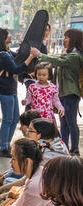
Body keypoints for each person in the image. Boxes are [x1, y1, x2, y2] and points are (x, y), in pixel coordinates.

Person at [31, 28, 83, 156]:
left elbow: (58, 62)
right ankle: (64, 147)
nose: (64, 40)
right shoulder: (69, 54)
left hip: (70, 94)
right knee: (64, 123)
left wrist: (40, 55)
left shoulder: (75, 56)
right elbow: (56, 61)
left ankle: (75, 149)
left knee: (71, 122)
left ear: (74, 40)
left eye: (66, 37)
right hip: (63, 94)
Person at [0, 28, 35, 158]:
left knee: (15, 118)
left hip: (11, 90)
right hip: (5, 90)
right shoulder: (3, 55)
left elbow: (18, 59)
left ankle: (7, 145)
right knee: (7, 119)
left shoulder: (7, 52)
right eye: (8, 34)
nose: (10, 35)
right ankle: (3, 148)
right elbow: (16, 69)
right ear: (3, 38)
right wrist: (31, 57)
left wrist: (24, 48)